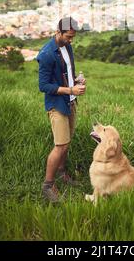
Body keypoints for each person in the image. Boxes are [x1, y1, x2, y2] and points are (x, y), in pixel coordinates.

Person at [36, 17, 86, 202]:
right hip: (57, 105)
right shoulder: (47, 54)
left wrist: (77, 80)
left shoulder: (67, 47)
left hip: (70, 101)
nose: (71, 40)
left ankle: (61, 173)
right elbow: (44, 86)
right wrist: (71, 89)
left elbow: (67, 72)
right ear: (59, 32)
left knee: (67, 141)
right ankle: (48, 185)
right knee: (61, 145)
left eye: (73, 37)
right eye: (69, 36)